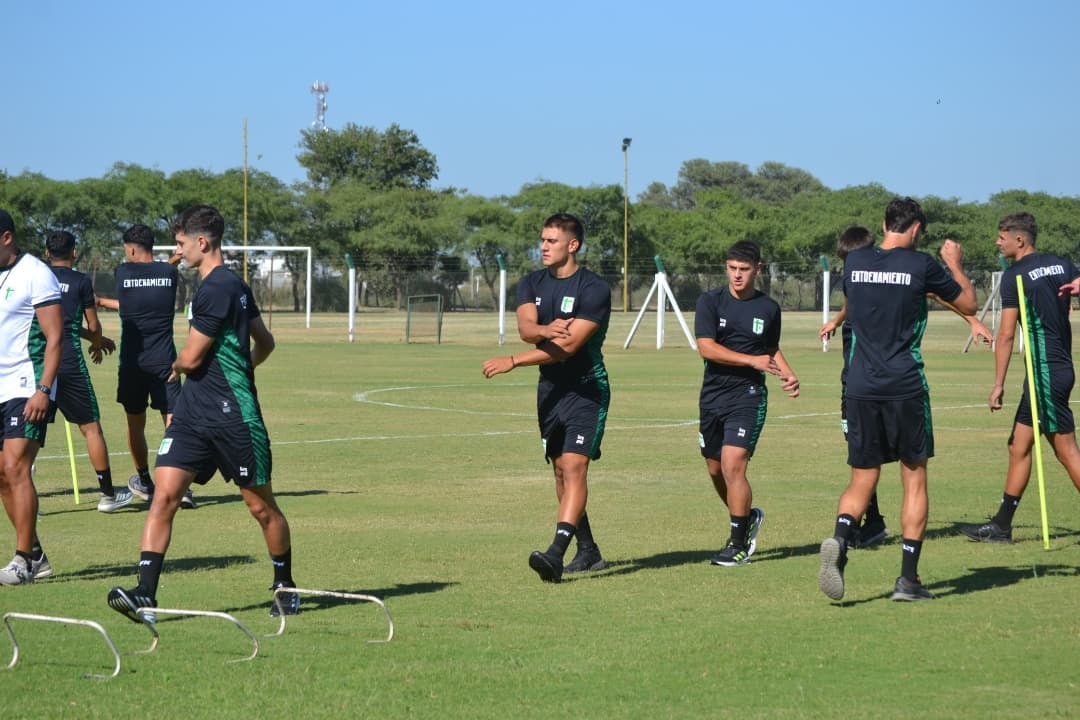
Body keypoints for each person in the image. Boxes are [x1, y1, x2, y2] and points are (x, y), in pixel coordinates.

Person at [107, 205, 297, 620]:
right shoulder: (229, 285)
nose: (176, 251)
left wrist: (173, 366)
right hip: (192, 415)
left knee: (262, 508)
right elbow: (265, 343)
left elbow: (191, 360)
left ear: (202, 243)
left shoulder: (218, 288)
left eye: (179, 244)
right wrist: (242, 363)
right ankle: (144, 594)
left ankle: (285, 584)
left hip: (234, 418)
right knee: (164, 497)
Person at [818, 197, 977, 602]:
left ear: (884, 223)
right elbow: (968, 303)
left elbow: (853, 304)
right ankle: (908, 580)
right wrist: (954, 262)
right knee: (914, 477)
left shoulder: (855, 264)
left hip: (859, 385)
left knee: (862, 477)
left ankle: (840, 537)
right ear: (917, 229)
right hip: (904, 384)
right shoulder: (921, 265)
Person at [481, 213, 610, 583]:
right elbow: (525, 328)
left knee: (574, 468)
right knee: (559, 472)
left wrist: (513, 361)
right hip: (550, 391)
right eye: (542, 240)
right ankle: (588, 550)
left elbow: (567, 347)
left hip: (587, 388)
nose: (543, 246)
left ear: (573, 245)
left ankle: (555, 553)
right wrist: (541, 330)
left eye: (552, 241)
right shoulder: (531, 282)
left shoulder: (594, 288)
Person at [959, 212, 1080, 542]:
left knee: (1067, 450)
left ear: (1020, 240)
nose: (998, 242)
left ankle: (1000, 524)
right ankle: (1001, 525)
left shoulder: (1015, 276)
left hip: (1044, 372)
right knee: (1018, 446)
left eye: (1002, 237)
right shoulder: (1061, 264)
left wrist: (998, 384)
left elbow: (1008, 335)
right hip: (1057, 369)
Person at [695, 240, 800, 566]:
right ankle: (747, 517)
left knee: (733, 464)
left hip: (748, 396)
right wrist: (750, 360)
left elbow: (769, 347)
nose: (737, 275)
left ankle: (737, 544)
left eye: (743, 269)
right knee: (715, 469)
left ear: (758, 269)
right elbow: (707, 348)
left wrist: (787, 373)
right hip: (713, 396)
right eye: (732, 269)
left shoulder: (768, 308)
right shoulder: (710, 302)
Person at [96, 224, 195, 509]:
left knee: (135, 423)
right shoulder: (168, 273)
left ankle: (145, 482)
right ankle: (181, 487)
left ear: (130, 248)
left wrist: (100, 301)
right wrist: (175, 259)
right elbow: (160, 272)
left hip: (132, 363)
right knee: (174, 423)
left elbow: (128, 305)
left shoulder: (123, 272)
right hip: (165, 361)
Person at [36, 230, 132, 513]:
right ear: (74, 253)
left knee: (27, 434)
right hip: (67, 364)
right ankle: (107, 497)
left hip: (37, 363)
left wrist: (96, 340)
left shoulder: (35, 278)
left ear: (46, 254)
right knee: (91, 429)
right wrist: (98, 341)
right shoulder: (80, 281)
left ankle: (28, 501)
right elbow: (92, 323)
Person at [0, 209, 63, 585]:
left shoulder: (36, 273)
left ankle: (23, 560)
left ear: (7, 237)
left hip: (27, 387)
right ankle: (36, 553)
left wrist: (43, 389)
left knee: (15, 468)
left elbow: (55, 338)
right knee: (1, 475)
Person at [819, 227, 889, 548]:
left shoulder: (876, 284)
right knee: (859, 451)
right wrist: (836, 320)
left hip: (863, 385)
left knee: (861, 453)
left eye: (849, 261)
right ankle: (872, 522)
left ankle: (866, 524)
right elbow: (850, 304)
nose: (847, 268)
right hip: (854, 380)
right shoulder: (854, 282)